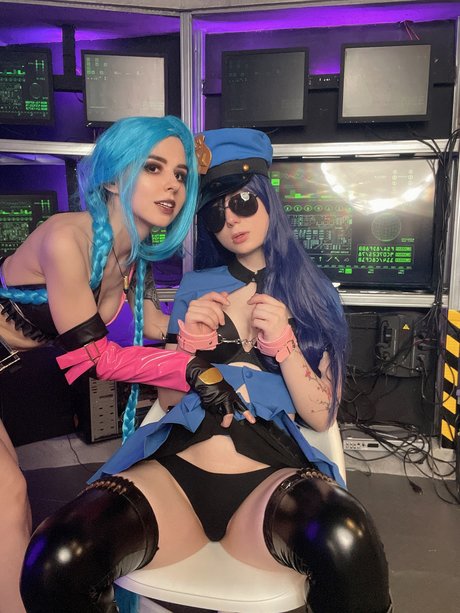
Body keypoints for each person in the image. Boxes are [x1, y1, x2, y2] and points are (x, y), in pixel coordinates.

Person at [20, 128, 392, 613]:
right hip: (174, 470)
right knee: (59, 557)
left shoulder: (314, 294)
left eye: (243, 202)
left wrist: (285, 346)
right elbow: (169, 400)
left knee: (347, 543)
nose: (230, 220)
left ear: (268, 199)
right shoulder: (196, 287)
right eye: (214, 214)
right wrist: (188, 344)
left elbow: (321, 415)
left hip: (268, 476)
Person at [0, 116, 247, 613]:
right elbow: (96, 357)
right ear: (113, 178)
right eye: (154, 167)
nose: (171, 185)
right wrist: (193, 372)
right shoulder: (65, 237)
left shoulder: (131, 255)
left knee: (12, 506)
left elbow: (148, 324)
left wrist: (213, 318)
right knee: (8, 494)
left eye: (180, 174)